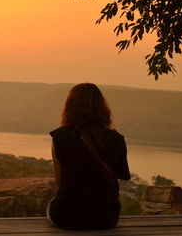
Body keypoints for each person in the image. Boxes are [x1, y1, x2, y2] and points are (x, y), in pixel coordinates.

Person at [47, 83, 131, 230]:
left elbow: (60, 182)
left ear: (69, 107)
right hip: (105, 217)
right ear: (102, 107)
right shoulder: (116, 139)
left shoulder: (60, 136)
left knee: (50, 205)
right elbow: (121, 175)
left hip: (67, 216)